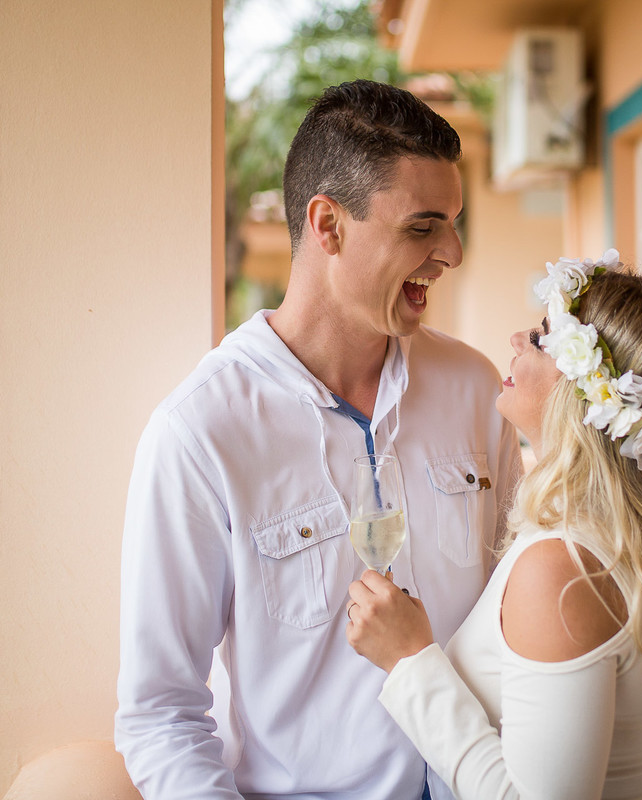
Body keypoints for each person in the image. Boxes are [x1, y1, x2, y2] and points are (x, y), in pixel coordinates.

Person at [115, 80, 522, 800]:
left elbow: (529, 613)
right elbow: (161, 716)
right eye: (424, 227)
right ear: (327, 224)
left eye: (455, 225)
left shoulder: (474, 389)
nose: (452, 252)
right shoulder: (199, 435)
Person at [346, 251, 642, 799]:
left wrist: (410, 662)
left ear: (585, 394)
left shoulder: (564, 571)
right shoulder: (639, 540)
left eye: (539, 337)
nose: (514, 338)